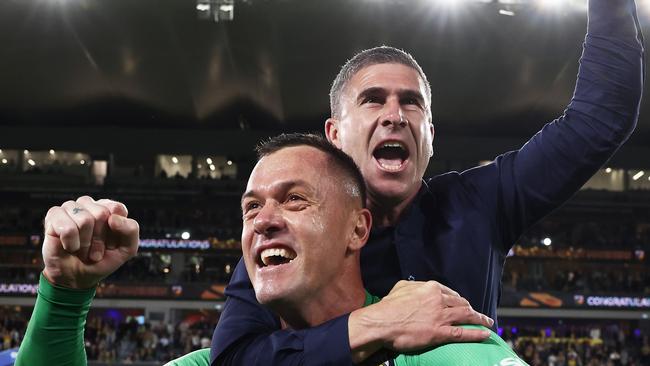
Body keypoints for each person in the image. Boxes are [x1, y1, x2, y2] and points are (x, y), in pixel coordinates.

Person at [211, 0, 644, 364]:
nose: (395, 115)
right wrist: (376, 325)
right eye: (373, 100)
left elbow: (599, 119)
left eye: (412, 104)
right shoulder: (291, 234)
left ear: (430, 138)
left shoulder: (483, 201)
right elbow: (234, 358)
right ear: (335, 136)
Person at [15, 133, 525, 366]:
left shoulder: (442, 345)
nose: (264, 222)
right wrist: (63, 298)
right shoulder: (208, 363)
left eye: (295, 200)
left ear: (358, 229)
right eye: (251, 208)